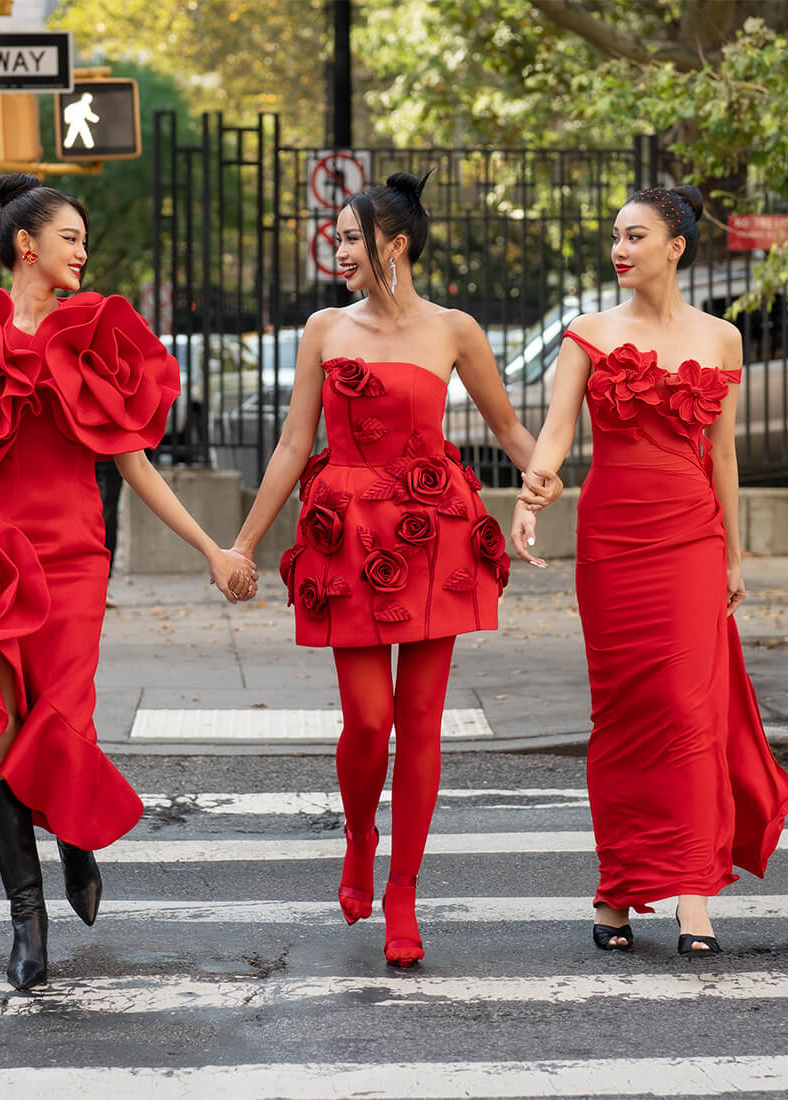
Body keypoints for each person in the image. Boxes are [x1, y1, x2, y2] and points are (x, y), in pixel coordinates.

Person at [0, 173, 258, 990]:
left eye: (85, 240)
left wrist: (211, 549)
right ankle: (28, 916)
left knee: (61, 719)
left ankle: (76, 837)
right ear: (27, 245)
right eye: (71, 238)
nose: (84, 251)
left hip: (77, 558)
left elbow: (137, 466)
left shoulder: (91, 335)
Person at [230, 171, 536, 967]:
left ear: (394, 245)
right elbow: (295, 446)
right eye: (336, 239)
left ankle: (404, 890)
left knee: (421, 722)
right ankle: (360, 836)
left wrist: (545, 476)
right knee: (369, 721)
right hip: (348, 538)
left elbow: (507, 427)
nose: (338, 250)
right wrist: (243, 544)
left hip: (436, 533)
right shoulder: (324, 330)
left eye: (350, 238)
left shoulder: (456, 330)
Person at [512, 185, 788, 958]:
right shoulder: (586, 334)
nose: (621, 247)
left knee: (688, 709)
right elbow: (557, 433)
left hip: (692, 538)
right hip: (613, 541)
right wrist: (532, 493)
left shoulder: (723, 339)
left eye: (636, 235)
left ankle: (693, 897)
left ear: (676, 247)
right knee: (625, 714)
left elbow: (725, 456)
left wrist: (735, 554)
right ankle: (617, 884)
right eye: (615, 235)